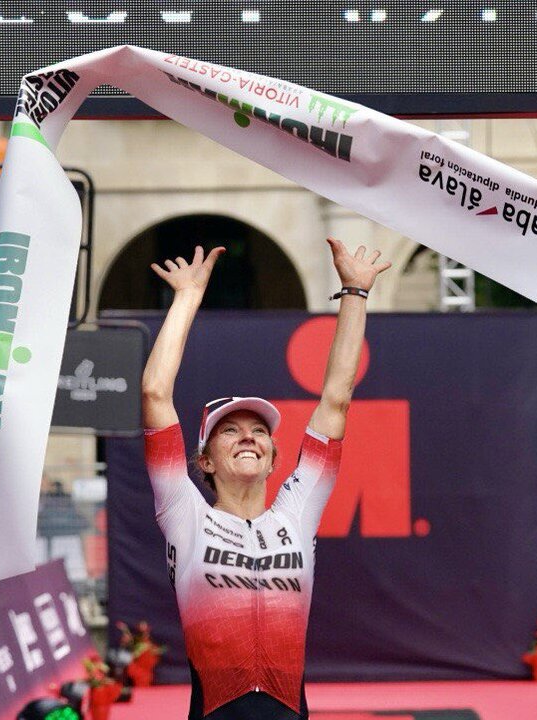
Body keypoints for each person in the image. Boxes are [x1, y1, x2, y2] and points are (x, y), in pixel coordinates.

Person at [141, 239, 389, 720]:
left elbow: (336, 399)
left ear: (275, 459)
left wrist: (355, 293)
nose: (248, 437)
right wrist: (187, 297)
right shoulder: (183, 514)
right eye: (229, 431)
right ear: (205, 461)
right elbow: (155, 393)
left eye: (259, 431)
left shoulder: (297, 513)